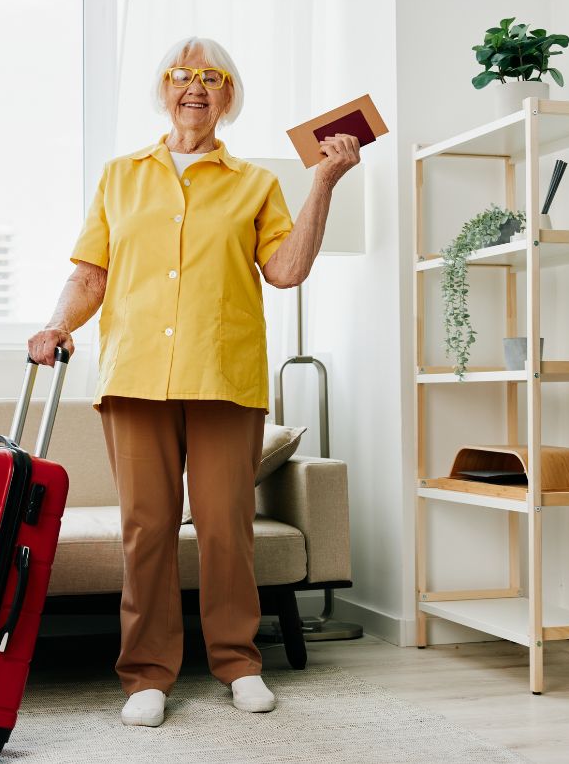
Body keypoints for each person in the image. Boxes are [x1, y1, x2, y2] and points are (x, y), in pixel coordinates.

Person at [27, 36, 360, 727]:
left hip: (223, 375)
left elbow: (288, 271)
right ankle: (147, 673)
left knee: (224, 529)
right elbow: (91, 273)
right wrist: (58, 324)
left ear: (229, 95)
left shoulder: (256, 184)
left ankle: (238, 662)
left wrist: (322, 183)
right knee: (146, 528)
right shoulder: (121, 176)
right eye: (183, 75)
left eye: (213, 77)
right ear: (165, 89)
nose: (196, 87)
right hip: (135, 376)